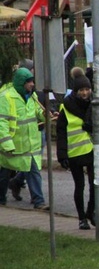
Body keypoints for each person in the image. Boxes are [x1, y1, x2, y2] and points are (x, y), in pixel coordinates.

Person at [0, 67, 50, 210]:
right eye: (29, 82)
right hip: (13, 145)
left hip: (29, 144)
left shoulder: (31, 96)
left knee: (33, 170)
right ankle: (1, 198)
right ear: (22, 83)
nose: (32, 84)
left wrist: (45, 115)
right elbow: (2, 122)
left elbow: (36, 111)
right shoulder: (6, 97)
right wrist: (6, 144)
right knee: (4, 172)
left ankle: (38, 201)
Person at [57, 70, 95, 229]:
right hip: (74, 152)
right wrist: (62, 154)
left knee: (96, 185)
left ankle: (90, 212)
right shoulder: (66, 107)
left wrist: (92, 126)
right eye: (81, 90)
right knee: (79, 186)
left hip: (92, 150)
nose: (85, 93)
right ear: (76, 91)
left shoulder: (95, 103)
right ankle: (82, 218)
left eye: (87, 89)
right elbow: (61, 132)